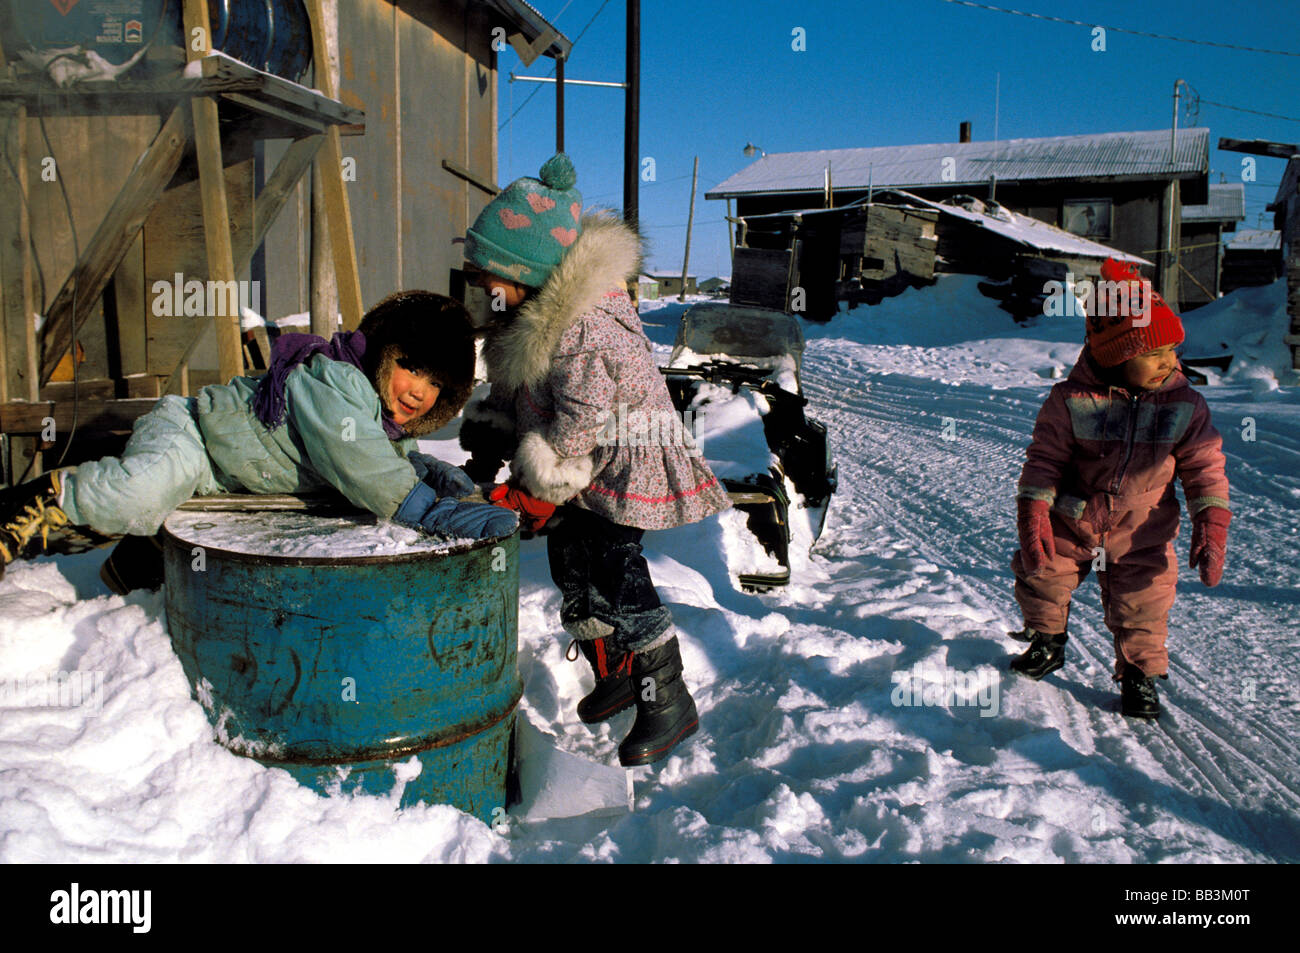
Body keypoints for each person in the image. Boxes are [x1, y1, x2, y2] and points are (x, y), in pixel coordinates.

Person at [457, 153, 730, 766]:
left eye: (487, 277)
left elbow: (583, 416)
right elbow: (518, 396)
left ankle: (668, 696)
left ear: (522, 270)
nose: (481, 289)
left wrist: (533, 489)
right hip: (581, 457)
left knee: (614, 564)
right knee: (569, 557)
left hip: (624, 455)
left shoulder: (584, 325)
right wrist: (487, 450)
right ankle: (616, 676)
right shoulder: (525, 315)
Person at [0, 291, 516, 583]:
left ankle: (135, 560)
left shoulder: (380, 418)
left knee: (167, 519)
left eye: (437, 386)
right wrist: (426, 511)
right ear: (383, 352)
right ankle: (31, 508)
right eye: (413, 368)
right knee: (142, 491)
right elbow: (362, 462)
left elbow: (394, 460)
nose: (419, 392)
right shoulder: (334, 380)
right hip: (195, 436)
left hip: (228, 476)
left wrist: (439, 476)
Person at [1008, 258, 1231, 719]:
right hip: (1074, 517)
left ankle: (1139, 676)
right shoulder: (1070, 401)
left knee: (1144, 604)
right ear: (1115, 356)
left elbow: (1204, 466)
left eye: (1172, 350)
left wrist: (1211, 521)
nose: (1169, 362)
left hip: (1143, 529)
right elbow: (1044, 460)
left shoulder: (1184, 406)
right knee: (1042, 575)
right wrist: (1034, 511)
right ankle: (1047, 640)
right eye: (1154, 353)